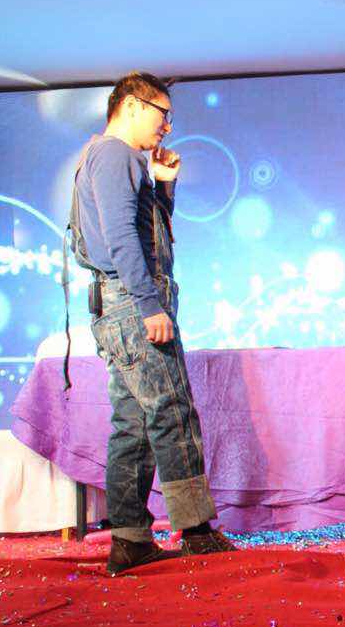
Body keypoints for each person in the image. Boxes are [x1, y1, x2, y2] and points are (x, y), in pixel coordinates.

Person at [68, 72, 236, 576]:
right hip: (131, 303)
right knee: (171, 412)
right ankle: (198, 532)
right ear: (133, 106)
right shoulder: (115, 154)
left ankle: (129, 539)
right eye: (163, 114)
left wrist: (163, 186)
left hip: (115, 306)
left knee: (135, 423)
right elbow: (121, 238)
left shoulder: (105, 157)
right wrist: (148, 305)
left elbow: (147, 231)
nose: (167, 126)